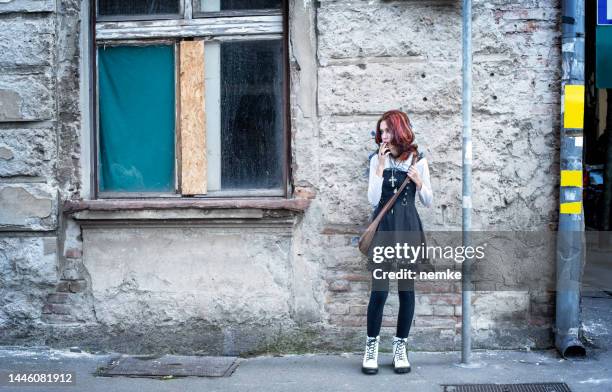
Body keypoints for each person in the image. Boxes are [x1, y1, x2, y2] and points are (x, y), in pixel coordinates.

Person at [362, 110, 433, 375]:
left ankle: (400, 348)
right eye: (381, 131)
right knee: (379, 291)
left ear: (399, 131)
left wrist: (418, 181)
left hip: (407, 230)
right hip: (383, 230)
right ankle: (371, 348)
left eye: (388, 131)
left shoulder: (418, 161)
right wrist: (380, 168)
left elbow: (427, 200)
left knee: (406, 291)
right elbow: (372, 200)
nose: (383, 136)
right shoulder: (375, 161)